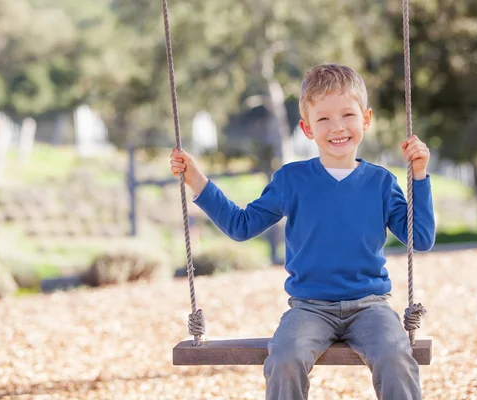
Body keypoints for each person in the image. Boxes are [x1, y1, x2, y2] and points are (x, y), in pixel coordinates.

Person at [169, 63, 435, 400]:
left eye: (347, 115)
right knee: (285, 357)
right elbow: (240, 226)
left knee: (396, 355)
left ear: (366, 119)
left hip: (371, 307)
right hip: (310, 308)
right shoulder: (291, 180)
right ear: (307, 128)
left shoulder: (381, 182)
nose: (337, 127)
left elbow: (421, 238)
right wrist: (197, 180)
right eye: (323, 119)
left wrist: (420, 176)